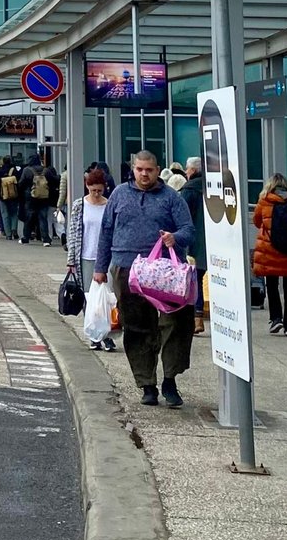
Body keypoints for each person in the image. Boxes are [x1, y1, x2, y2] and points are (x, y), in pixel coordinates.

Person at [94, 150, 195, 408]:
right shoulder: (118, 195)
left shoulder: (172, 198)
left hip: (165, 272)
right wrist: (100, 267)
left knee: (176, 323)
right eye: (140, 169)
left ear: (157, 169)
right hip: (127, 269)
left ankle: (170, 379)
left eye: (149, 170)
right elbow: (106, 232)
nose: (144, 174)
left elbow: (188, 229)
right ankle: (147, 384)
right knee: (137, 327)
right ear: (133, 168)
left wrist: (175, 237)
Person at [252, 173, 287, 337]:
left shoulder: (265, 200)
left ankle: (276, 319)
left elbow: (256, 221)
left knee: (272, 286)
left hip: (270, 250)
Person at [68, 167, 115, 352]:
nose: (96, 194)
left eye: (99, 190)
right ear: (87, 187)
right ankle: (94, 336)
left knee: (107, 298)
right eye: (93, 190)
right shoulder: (79, 205)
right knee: (89, 298)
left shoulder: (109, 205)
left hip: (106, 257)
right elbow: (73, 232)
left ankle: (108, 335)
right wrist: (71, 259)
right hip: (85, 256)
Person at [177, 156, 208, 334]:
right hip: (216, 242)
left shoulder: (189, 190)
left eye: (187, 170)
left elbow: (183, 217)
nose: (186, 173)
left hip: (195, 242)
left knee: (194, 280)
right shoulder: (214, 185)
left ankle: (197, 319)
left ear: (193, 171)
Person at [0, 159, 23, 241]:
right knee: (14, 213)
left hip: (3, 196)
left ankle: (8, 234)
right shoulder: (16, 171)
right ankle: (14, 230)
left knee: (5, 214)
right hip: (14, 196)